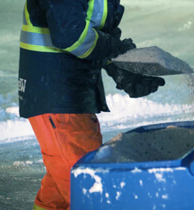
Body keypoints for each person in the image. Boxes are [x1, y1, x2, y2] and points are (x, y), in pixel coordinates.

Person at [18, 0, 165, 209]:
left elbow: (97, 33)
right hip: (57, 97)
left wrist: (121, 67)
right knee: (92, 194)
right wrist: (115, 50)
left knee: (58, 193)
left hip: (70, 97)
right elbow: (71, 36)